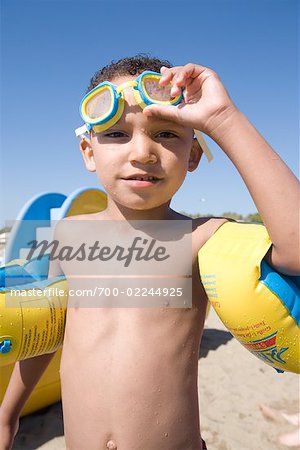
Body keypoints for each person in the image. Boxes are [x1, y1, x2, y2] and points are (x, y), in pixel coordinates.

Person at [0, 55, 299, 450]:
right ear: (89, 152)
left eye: (167, 134)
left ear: (193, 156)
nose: (142, 152)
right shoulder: (69, 236)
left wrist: (223, 118)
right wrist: (8, 414)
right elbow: (48, 329)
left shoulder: (200, 238)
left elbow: (295, 251)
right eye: (117, 135)